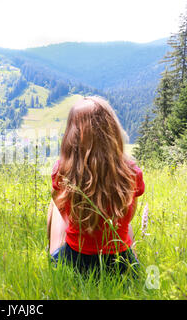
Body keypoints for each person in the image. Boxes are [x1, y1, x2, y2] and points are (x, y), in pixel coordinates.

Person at [47, 96, 145, 275]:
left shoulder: (62, 171)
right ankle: (133, 259)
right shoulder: (132, 173)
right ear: (112, 131)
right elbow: (129, 217)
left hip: (75, 263)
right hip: (120, 266)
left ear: (72, 135)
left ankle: (50, 253)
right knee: (121, 212)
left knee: (55, 203)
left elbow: (64, 213)